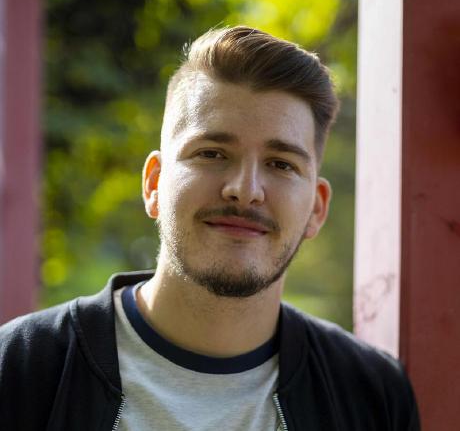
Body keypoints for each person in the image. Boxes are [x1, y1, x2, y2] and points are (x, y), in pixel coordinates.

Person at [0, 26, 419, 431]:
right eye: (212, 153)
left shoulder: (373, 395)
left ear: (316, 208)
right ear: (154, 184)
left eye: (280, 164)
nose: (245, 191)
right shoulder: (21, 368)